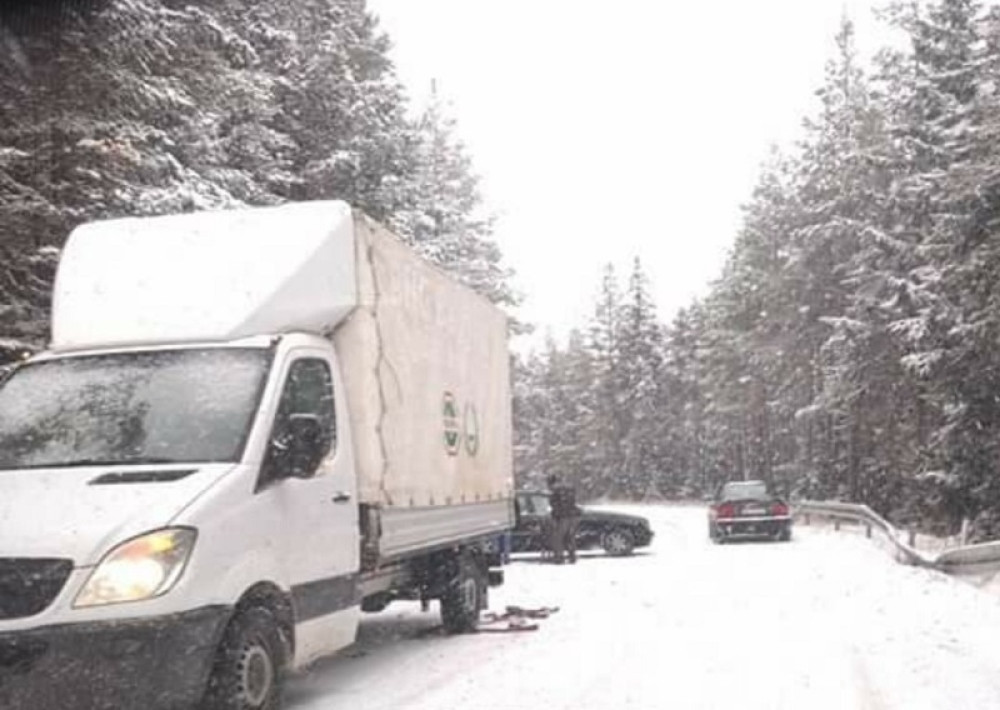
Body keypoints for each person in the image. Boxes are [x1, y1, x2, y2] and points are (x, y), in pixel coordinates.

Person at [547, 474, 581, 564]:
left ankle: (559, 558)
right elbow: (573, 501)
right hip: (574, 516)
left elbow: (555, 505)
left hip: (563, 517)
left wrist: (554, 515)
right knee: (570, 537)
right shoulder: (568, 488)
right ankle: (572, 556)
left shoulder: (555, 490)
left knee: (558, 538)